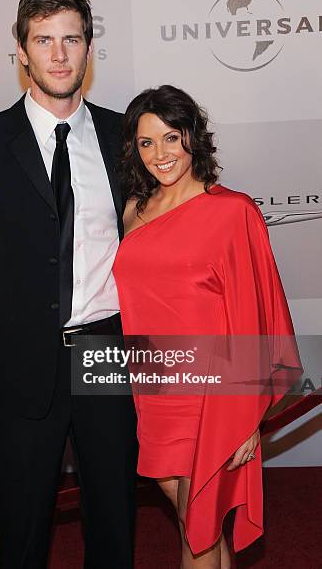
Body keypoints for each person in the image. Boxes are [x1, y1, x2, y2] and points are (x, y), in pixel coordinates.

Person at [0, 0, 137, 569]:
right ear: (21, 51)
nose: (59, 55)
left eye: (71, 39)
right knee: (23, 533)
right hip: (18, 361)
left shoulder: (122, 136)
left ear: (89, 48)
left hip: (107, 355)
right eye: (44, 40)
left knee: (115, 523)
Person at [112, 85, 302, 568]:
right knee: (194, 520)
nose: (160, 154)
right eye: (146, 142)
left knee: (198, 527)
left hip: (212, 396)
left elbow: (258, 317)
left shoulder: (233, 212)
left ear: (193, 137)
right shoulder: (135, 208)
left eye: (171, 138)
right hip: (153, 387)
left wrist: (244, 418)